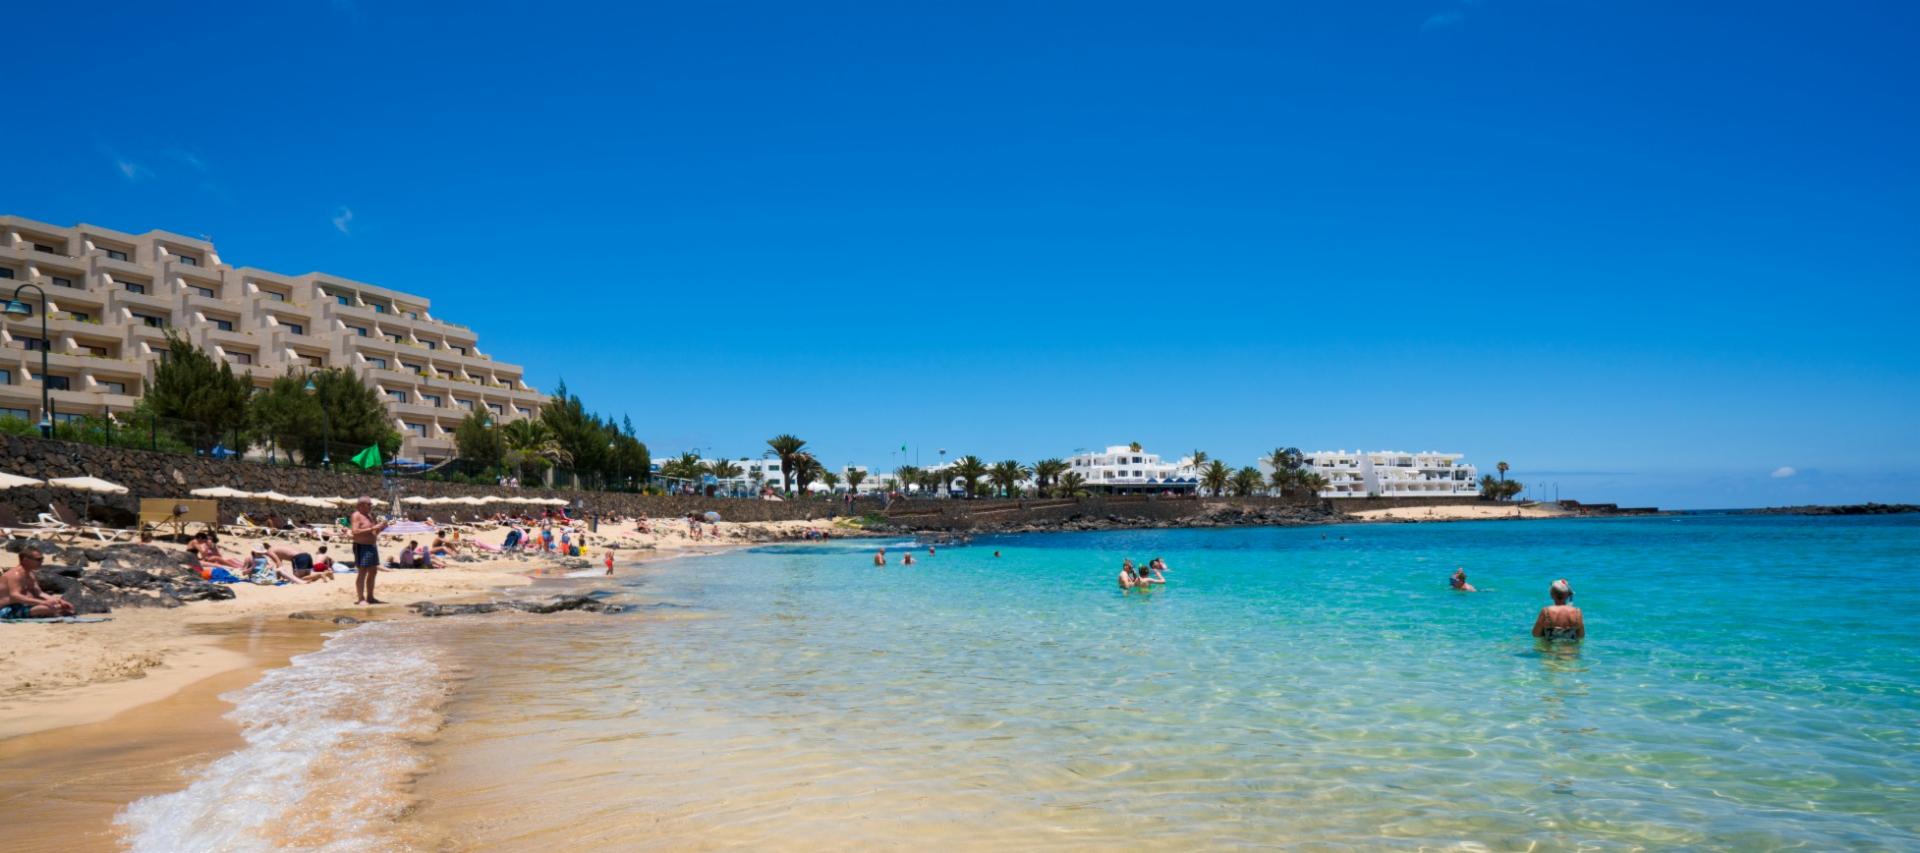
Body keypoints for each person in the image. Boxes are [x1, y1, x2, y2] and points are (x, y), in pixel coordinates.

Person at [3, 547, 76, 618]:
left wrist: (59, 601)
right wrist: (42, 602)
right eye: (38, 559)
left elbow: (40, 593)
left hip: (23, 606)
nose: (41, 562)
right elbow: (15, 596)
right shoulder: (15, 575)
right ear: (25, 560)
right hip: (6, 609)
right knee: (52, 608)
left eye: (42, 559)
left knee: (61, 606)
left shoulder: (30, 574)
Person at [351, 496, 390, 605]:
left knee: (373, 571)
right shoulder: (356, 515)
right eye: (369, 504)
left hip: (371, 546)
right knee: (362, 571)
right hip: (361, 546)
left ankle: (370, 597)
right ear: (361, 505)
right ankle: (361, 598)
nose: (371, 506)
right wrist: (372, 528)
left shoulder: (369, 516)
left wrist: (382, 528)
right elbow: (355, 531)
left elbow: (374, 533)